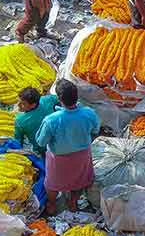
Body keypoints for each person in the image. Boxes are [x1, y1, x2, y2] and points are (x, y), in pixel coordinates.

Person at [36, 80, 99, 214]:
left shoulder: (51, 120)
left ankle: (52, 204)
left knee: (53, 183)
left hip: (58, 159)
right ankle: (73, 202)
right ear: (76, 96)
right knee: (79, 180)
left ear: (59, 99)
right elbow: (95, 130)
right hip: (82, 155)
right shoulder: (89, 113)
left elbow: (41, 142)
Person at [14, 88, 58, 155]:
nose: (18, 105)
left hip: (42, 150)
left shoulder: (20, 120)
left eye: (23, 104)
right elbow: (58, 99)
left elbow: (17, 141)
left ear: (33, 105)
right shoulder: (47, 100)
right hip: (58, 140)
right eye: (18, 102)